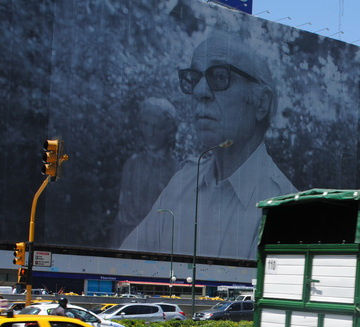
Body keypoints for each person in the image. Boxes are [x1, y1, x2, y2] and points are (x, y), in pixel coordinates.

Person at [121, 30, 296, 260]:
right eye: (194, 79)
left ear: (261, 103)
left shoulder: (284, 210)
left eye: (220, 76)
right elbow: (122, 266)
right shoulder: (182, 183)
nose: (199, 91)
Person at [112, 97, 179, 246]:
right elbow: (122, 216)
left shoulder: (177, 170)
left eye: (158, 127)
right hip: (128, 241)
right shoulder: (132, 164)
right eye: (146, 124)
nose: (151, 132)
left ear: (169, 130)